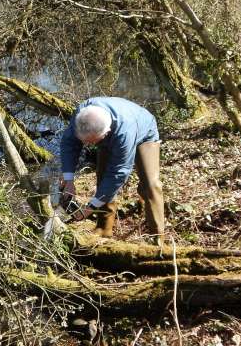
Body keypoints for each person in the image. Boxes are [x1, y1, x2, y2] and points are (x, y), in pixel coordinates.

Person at [59, 97, 164, 244]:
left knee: (151, 185)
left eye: (92, 142)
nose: (88, 145)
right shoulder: (82, 116)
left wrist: (91, 207)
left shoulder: (124, 131)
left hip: (144, 133)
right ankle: (103, 228)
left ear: (107, 132)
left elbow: (118, 173)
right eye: (85, 141)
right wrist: (68, 179)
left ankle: (157, 237)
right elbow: (69, 143)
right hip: (110, 135)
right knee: (102, 177)